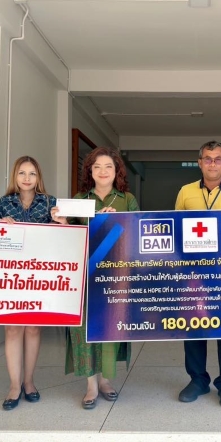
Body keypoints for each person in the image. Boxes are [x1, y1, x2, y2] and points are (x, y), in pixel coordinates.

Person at [62, 146, 138, 410]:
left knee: (110, 325)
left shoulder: (127, 199)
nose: (103, 171)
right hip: (85, 275)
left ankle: (105, 380)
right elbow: (69, 236)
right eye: (97, 167)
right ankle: (90, 385)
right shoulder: (79, 200)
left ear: (116, 171)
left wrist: (118, 222)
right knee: (84, 328)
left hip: (116, 275)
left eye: (108, 166)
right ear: (90, 171)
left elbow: (137, 232)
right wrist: (63, 222)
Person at [175, 140, 221, 408]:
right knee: (193, 324)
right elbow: (177, 229)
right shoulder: (185, 192)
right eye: (207, 158)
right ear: (200, 163)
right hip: (194, 271)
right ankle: (198, 380)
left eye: (218, 159)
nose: (212, 163)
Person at [0, 156, 63, 411]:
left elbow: (61, 237)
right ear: (15, 176)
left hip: (40, 273)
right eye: (22, 173)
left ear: (38, 177)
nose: (27, 178)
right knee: (13, 328)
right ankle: (14, 386)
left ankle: (29, 382)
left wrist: (62, 222)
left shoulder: (50, 202)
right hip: (11, 274)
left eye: (32, 173)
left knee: (33, 327)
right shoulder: (4, 203)